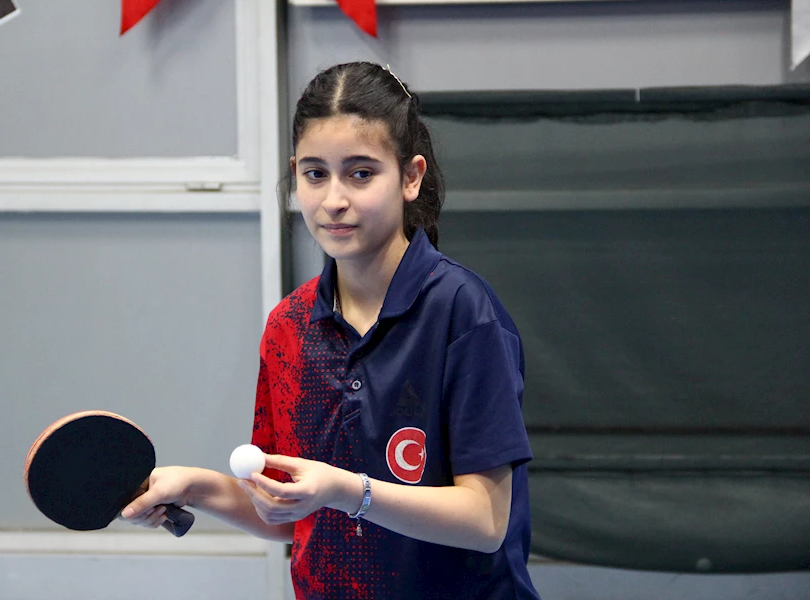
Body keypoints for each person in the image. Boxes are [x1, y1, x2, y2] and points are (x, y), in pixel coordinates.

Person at [122, 61, 541, 600]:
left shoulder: (462, 312)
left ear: (410, 177)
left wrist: (347, 491)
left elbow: (486, 520)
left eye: (361, 173)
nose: (334, 200)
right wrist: (196, 487)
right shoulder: (288, 327)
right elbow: (288, 511)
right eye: (315, 174)